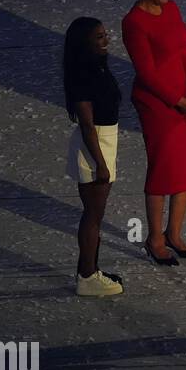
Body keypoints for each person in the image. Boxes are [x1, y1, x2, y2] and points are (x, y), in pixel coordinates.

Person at [121, 0, 186, 265]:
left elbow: (184, 52)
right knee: (162, 169)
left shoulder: (171, 10)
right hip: (158, 105)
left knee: (185, 168)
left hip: (183, 99)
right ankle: (155, 238)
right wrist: (177, 100)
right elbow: (146, 72)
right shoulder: (134, 22)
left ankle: (175, 234)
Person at [63, 17, 125, 296]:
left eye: (104, 34)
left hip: (104, 139)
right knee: (93, 214)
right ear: (85, 42)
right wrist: (100, 162)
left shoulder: (97, 66)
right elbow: (87, 124)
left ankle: (90, 270)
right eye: (99, 37)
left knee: (96, 214)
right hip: (95, 143)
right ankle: (87, 276)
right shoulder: (83, 72)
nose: (106, 40)